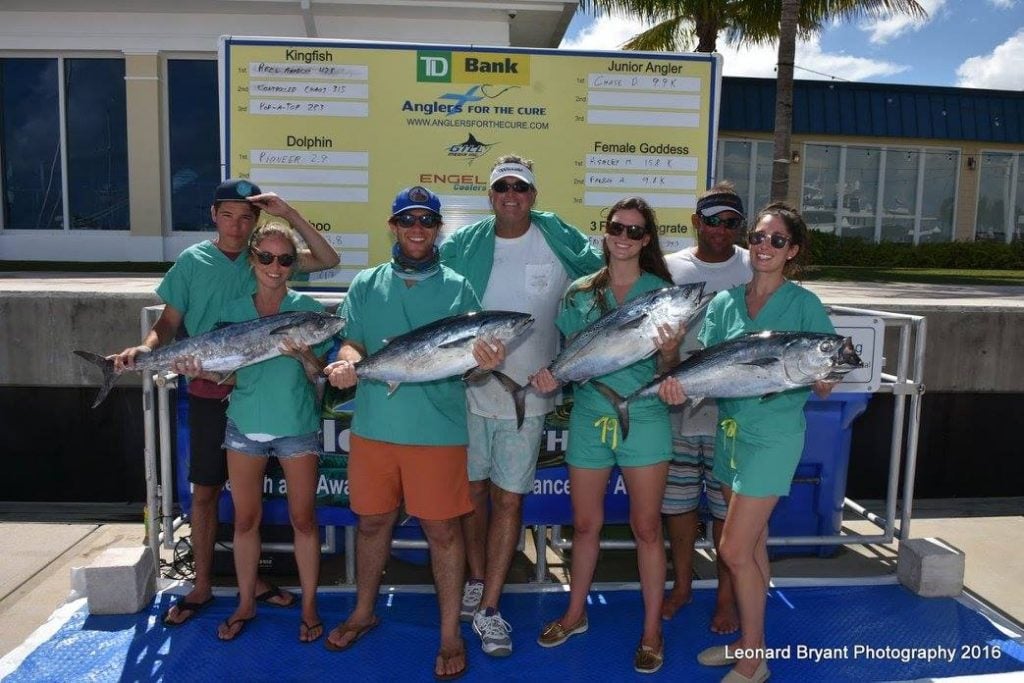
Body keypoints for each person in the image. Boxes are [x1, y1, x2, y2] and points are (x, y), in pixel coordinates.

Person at [112, 178, 340, 627]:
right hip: (210, 388)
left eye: (247, 215)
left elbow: (329, 260)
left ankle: (251, 582)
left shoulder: (275, 263)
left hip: (267, 396)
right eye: (229, 214)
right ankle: (203, 584)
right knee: (207, 491)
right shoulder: (194, 260)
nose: (273, 265)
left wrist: (288, 212)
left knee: (275, 509)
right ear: (215, 215)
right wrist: (146, 348)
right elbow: (169, 320)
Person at [323, 186, 505, 680]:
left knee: (443, 532)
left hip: (438, 431)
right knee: (371, 524)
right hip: (374, 428)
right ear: (394, 226)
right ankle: (363, 611)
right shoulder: (366, 283)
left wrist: (485, 365)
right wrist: (345, 364)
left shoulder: (458, 287)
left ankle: (450, 633)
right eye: (408, 220)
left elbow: (470, 370)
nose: (418, 229)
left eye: (427, 220)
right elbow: (353, 345)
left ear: (438, 227)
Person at [660, 202, 836, 683]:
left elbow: (828, 363)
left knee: (732, 550)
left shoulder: (805, 305)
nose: (764, 246)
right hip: (731, 435)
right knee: (753, 549)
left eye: (777, 240)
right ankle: (749, 646)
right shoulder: (724, 303)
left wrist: (826, 379)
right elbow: (708, 368)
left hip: (773, 439)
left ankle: (753, 660)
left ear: (792, 251)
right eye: (759, 237)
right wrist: (679, 382)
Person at [439, 155, 602, 657]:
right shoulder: (464, 244)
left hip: (529, 398)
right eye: (502, 187)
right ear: (491, 196)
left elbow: (600, 288)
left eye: (521, 187)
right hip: (466, 393)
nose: (511, 194)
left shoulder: (560, 240)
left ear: (533, 194)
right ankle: (474, 576)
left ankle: (489, 606)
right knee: (469, 495)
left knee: (508, 499)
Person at [531, 196, 685, 675]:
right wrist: (551, 378)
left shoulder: (664, 293)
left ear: (647, 239)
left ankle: (652, 630)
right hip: (590, 416)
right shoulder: (579, 292)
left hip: (645, 416)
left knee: (645, 528)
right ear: (605, 231)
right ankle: (575, 614)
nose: (624, 237)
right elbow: (573, 361)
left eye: (636, 231)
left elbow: (670, 370)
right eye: (618, 227)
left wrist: (670, 351)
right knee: (584, 526)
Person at [175, 222, 336, 643]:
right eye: (266, 257)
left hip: (297, 427)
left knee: (304, 520)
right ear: (253, 260)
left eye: (285, 259)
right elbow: (225, 376)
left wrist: (304, 356)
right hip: (244, 424)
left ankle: (309, 606)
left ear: (293, 265)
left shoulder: (308, 310)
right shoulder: (231, 308)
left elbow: (320, 374)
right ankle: (245, 603)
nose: (275, 266)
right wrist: (198, 368)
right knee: (246, 520)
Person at [660, 182, 751, 632]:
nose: (720, 229)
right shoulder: (669, 267)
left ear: (741, 226)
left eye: (731, 221)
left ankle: (726, 594)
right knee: (677, 505)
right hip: (677, 403)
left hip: (733, 412)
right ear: (696, 221)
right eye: (712, 219)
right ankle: (680, 585)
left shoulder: (757, 265)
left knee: (726, 509)